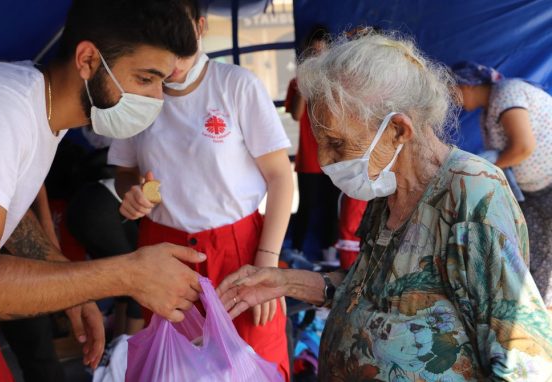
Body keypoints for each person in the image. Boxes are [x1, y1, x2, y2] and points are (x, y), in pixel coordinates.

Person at [0, 0, 202, 380]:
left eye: (161, 82)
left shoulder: (39, 107)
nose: (157, 98)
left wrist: (72, 285)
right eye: (145, 78)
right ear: (88, 60)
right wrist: (125, 275)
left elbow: (1, 212)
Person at [217, 31, 552, 380]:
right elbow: (369, 286)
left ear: (397, 130)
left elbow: (523, 358)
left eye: (335, 142)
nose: (324, 159)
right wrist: (284, 282)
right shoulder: (387, 188)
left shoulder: (471, 194)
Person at [109, 0, 293, 378]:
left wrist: (267, 261)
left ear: (200, 27)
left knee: (253, 363)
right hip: (165, 257)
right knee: (175, 367)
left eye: (181, 33)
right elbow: (125, 171)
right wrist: (130, 194)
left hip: (238, 252)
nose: (173, 54)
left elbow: (281, 177)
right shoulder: (137, 95)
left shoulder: (235, 85)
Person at [452, 61, 552, 309]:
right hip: (534, 189)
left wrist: (491, 165)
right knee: (531, 253)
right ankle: (532, 311)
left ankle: (535, 315)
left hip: (547, 185)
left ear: (467, 84)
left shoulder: (507, 93)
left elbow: (523, 147)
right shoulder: (491, 106)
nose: (453, 100)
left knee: (541, 256)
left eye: (452, 90)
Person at [284, 26, 341, 267]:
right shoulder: (298, 82)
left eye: (322, 52)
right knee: (306, 207)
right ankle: (296, 249)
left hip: (334, 157)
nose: (318, 57)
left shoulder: (337, 81)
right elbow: (296, 115)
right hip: (309, 157)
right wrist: (306, 84)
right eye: (313, 52)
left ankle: (330, 251)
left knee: (331, 207)